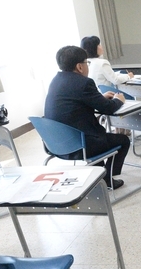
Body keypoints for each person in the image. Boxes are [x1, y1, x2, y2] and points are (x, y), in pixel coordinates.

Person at [44, 46, 130, 190]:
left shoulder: (56, 80)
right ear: (79, 67)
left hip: (55, 144)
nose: (87, 66)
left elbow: (76, 102)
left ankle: (99, 175)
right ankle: (107, 178)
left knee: (94, 138)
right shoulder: (84, 83)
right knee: (123, 140)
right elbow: (107, 108)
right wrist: (119, 100)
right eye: (86, 63)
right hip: (79, 146)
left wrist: (99, 98)